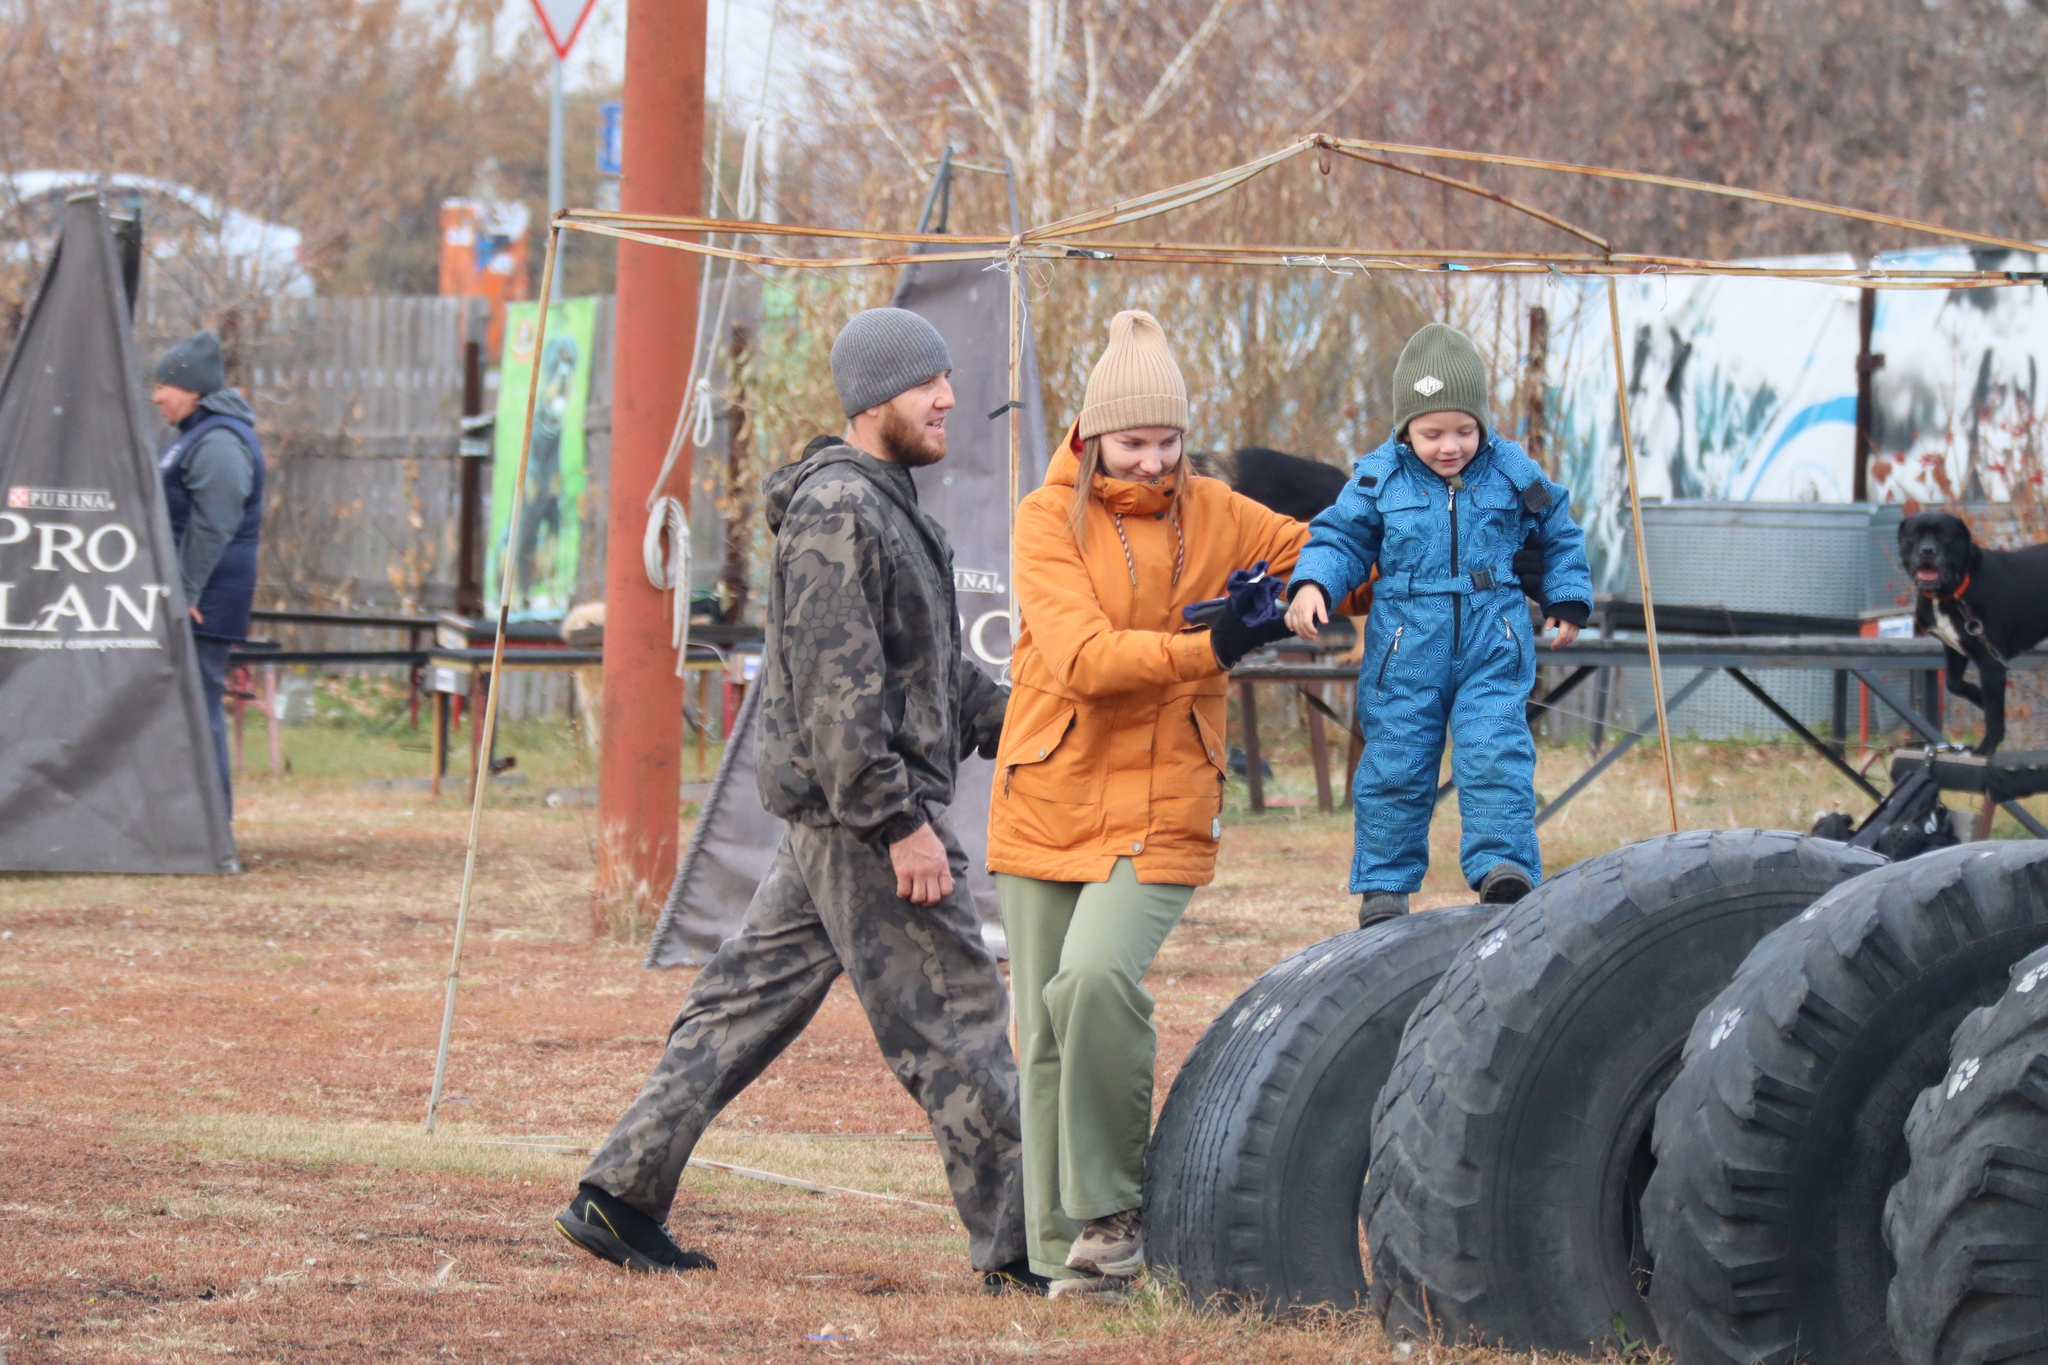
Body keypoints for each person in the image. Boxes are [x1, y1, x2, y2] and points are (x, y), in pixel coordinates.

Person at [556, 308, 1038, 1292]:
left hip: (835, 820)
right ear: (871, 402)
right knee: (957, 1025)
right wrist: (899, 824)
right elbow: (834, 694)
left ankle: (616, 1197)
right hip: (863, 821)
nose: (948, 398)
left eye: (945, 379)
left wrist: (1039, 719)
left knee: (739, 1009)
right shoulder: (838, 513)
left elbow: (926, 679)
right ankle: (1029, 1252)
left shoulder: (883, 507)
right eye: (925, 384)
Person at [988, 310, 1368, 1297]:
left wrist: (1322, 582)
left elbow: (1341, 554)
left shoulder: (1219, 510)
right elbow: (1080, 659)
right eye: (1132, 442)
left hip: (1163, 796)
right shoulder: (1046, 518)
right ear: (1092, 433)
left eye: (1166, 441)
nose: (1152, 462)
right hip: (1048, 790)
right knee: (1042, 1033)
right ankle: (1050, 1262)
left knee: (1094, 982)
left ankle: (1110, 1218)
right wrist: (1216, 646)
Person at [1284, 322, 1593, 923]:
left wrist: (1566, 595)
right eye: (1431, 433)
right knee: (1396, 759)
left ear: (1482, 422)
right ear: (1405, 429)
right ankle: (1384, 885)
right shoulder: (1378, 478)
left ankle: (1503, 870)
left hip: (1491, 637)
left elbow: (1557, 528)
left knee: (1495, 752)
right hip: (1406, 642)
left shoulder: (1512, 471)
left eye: (1463, 430)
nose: (1448, 445)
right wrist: (1314, 583)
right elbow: (1341, 537)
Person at [151, 330, 264, 817]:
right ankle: (184, 819)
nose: (156, 396)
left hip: (205, 599)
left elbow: (215, 525)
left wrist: (185, 590)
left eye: (164, 386)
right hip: (192, 593)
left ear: (193, 390)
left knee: (198, 703)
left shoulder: (219, 442)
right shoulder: (194, 436)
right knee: (185, 704)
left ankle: (212, 822)